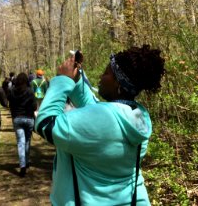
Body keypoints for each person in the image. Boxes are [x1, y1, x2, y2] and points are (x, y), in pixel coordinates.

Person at [35, 45, 165, 205]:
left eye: (106, 73)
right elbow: (94, 110)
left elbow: (45, 123)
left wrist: (63, 81)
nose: (100, 78)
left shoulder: (101, 119)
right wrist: (76, 81)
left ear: (118, 82)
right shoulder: (138, 115)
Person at [7, 72, 36, 177]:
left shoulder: (11, 91)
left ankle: (22, 165)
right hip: (29, 118)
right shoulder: (30, 92)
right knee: (27, 141)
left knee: (20, 143)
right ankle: (26, 162)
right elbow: (34, 107)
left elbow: (9, 104)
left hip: (17, 119)